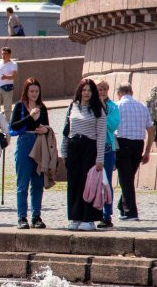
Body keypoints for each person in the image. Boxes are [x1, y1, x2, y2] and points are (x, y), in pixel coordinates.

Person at [61, 79, 106, 231]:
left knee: (88, 183)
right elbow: (66, 131)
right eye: (84, 90)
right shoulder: (72, 107)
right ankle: (75, 216)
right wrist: (64, 151)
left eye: (90, 90)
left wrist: (100, 158)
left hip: (89, 148)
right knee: (74, 183)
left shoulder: (98, 109)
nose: (87, 93)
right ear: (80, 91)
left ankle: (88, 218)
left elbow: (101, 135)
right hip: (74, 147)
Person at [9, 78, 51, 228]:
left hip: (39, 143)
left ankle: (36, 216)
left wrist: (46, 130)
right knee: (22, 183)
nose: (34, 94)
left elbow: (47, 126)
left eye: (36, 91)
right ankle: (22, 217)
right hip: (24, 142)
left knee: (38, 182)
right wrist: (29, 116)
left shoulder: (43, 107)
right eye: (31, 91)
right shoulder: (20, 106)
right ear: (26, 91)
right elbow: (13, 126)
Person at [114, 82, 154, 221]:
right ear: (131, 92)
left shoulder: (116, 106)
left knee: (125, 178)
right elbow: (150, 130)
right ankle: (122, 206)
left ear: (119, 93)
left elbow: (111, 128)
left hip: (122, 143)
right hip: (138, 145)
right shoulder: (142, 107)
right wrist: (147, 151)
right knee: (128, 178)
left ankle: (131, 212)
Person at [95, 78, 120, 228]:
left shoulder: (112, 107)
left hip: (107, 148)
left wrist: (103, 110)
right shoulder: (90, 106)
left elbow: (112, 126)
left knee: (106, 182)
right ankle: (92, 213)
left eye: (104, 89)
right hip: (92, 148)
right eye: (99, 89)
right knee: (92, 181)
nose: (102, 92)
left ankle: (107, 215)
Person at [0, 47, 18, 116]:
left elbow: (14, 76)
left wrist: (6, 77)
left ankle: (7, 124)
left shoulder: (13, 64)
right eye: (2, 54)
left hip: (7, 88)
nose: (3, 56)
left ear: (9, 54)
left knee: (7, 108)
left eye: (5, 54)